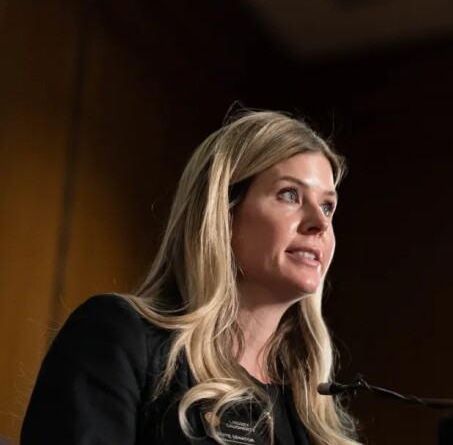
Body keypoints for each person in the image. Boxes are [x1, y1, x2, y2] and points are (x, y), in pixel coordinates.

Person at [21, 110, 359, 445]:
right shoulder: (120, 338)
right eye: (290, 195)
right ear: (223, 213)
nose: (320, 223)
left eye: (328, 206)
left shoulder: (313, 410)